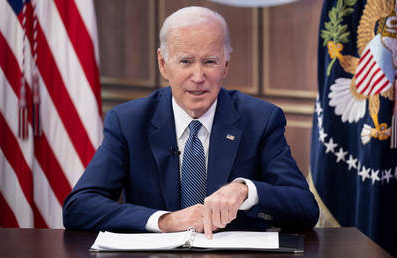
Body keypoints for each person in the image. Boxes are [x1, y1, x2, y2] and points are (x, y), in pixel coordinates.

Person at [63, 6, 319, 239]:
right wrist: (164, 221)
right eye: (185, 61)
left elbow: (305, 208)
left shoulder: (261, 119)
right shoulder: (129, 121)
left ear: (226, 65)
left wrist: (247, 190)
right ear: (163, 64)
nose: (198, 77)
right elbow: (79, 207)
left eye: (210, 62)